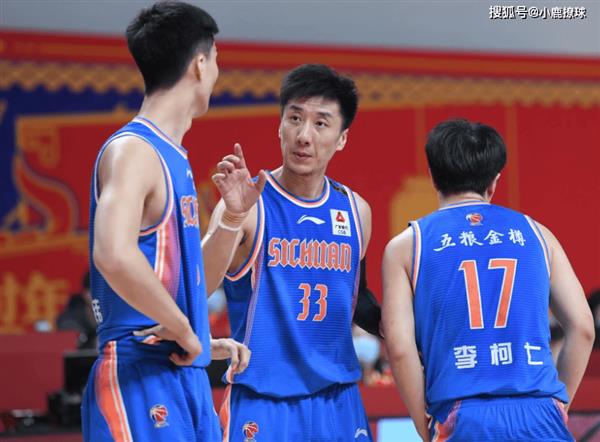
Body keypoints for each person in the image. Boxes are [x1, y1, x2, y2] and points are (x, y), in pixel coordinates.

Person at [82, 2, 249, 441]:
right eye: (216, 59)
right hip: (138, 373)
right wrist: (182, 328)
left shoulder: (174, 157)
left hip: (180, 371)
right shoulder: (134, 150)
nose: (217, 71)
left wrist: (232, 218)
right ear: (200, 64)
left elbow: (194, 285)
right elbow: (112, 254)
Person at [382, 118, 595, 441]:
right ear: (494, 182)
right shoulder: (538, 235)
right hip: (539, 411)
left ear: (433, 177)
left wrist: (425, 427)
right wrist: (557, 404)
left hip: (463, 416)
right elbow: (583, 328)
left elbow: (399, 348)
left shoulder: (406, 246)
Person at [201, 64, 376, 441]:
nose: (304, 135)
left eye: (320, 123)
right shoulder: (248, 204)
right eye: (294, 118)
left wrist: (414, 337)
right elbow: (197, 286)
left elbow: (357, 298)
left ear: (342, 138)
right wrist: (231, 218)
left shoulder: (355, 211)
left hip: (338, 401)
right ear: (279, 126)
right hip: (263, 402)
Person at [56, 271, 97, 349]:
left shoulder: (115, 316)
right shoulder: (70, 319)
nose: (99, 297)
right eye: (94, 292)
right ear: (85, 294)